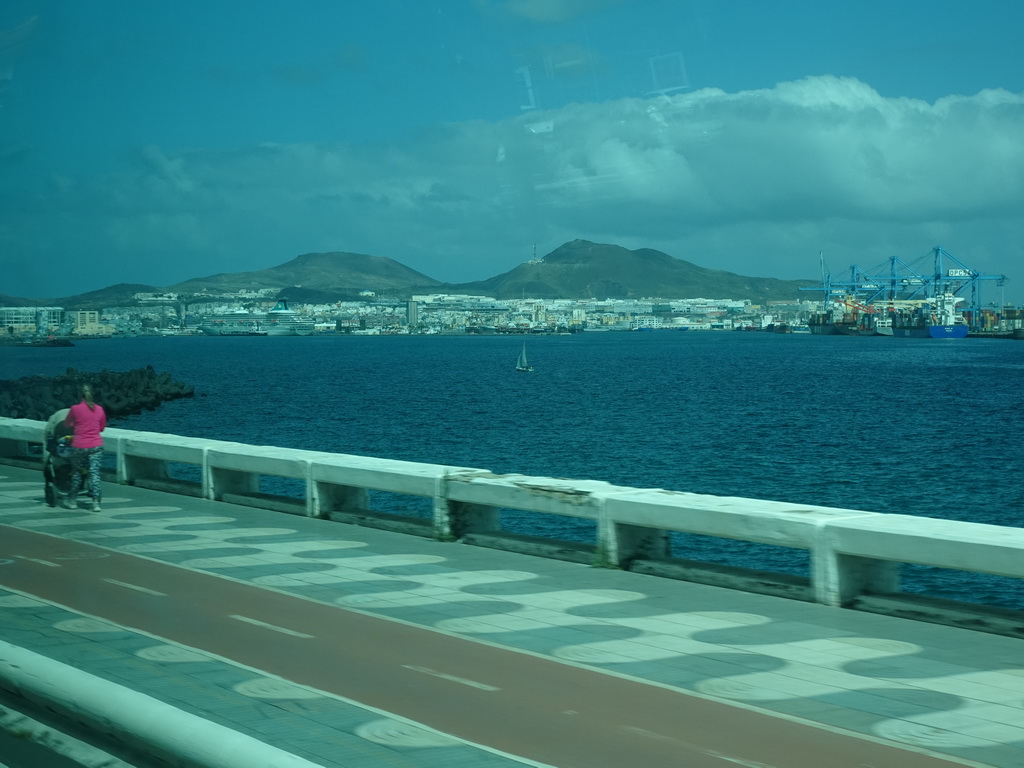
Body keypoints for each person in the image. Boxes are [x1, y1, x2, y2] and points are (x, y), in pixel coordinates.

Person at [64, 384, 106, 511]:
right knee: (94, 474)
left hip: (79, 446)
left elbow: (67, 424)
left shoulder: (75, 409)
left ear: (79, 395)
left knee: (76, 473)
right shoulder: (99, 409)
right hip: (96, 446)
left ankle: (72, 501)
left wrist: (75, 424)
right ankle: (95, 503)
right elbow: (101, 428)